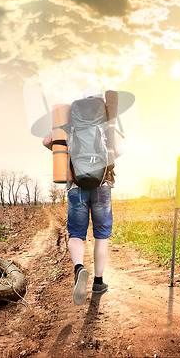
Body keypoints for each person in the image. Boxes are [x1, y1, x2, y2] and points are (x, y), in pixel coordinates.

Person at [43, 87, 124, 305]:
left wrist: (63, 147)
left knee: (77, 234)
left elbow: (45, 141)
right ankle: (98, 282)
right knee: (101, 236)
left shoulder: (71, 119)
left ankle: (79, 268)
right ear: (100, 101)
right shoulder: (108, 121)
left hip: (76, 186)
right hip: (102, 185)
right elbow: (120, 150)